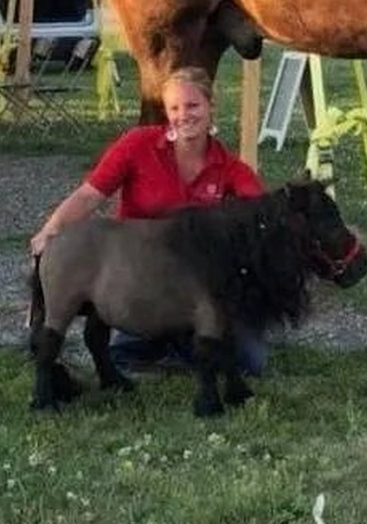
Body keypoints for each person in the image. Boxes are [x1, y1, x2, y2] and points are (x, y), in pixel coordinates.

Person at [30, 65, 268, 373]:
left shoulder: (231, 168)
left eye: (193, 105)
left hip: (197, 284)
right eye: (175, 108)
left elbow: (262, 218)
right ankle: (175, 341)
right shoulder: (137, 144)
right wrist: (50, 230)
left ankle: (183, 338)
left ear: (211, 105)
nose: (184, 115)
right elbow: (90, 195)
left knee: (251, 362)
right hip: (139, 277)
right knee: (129, 349)